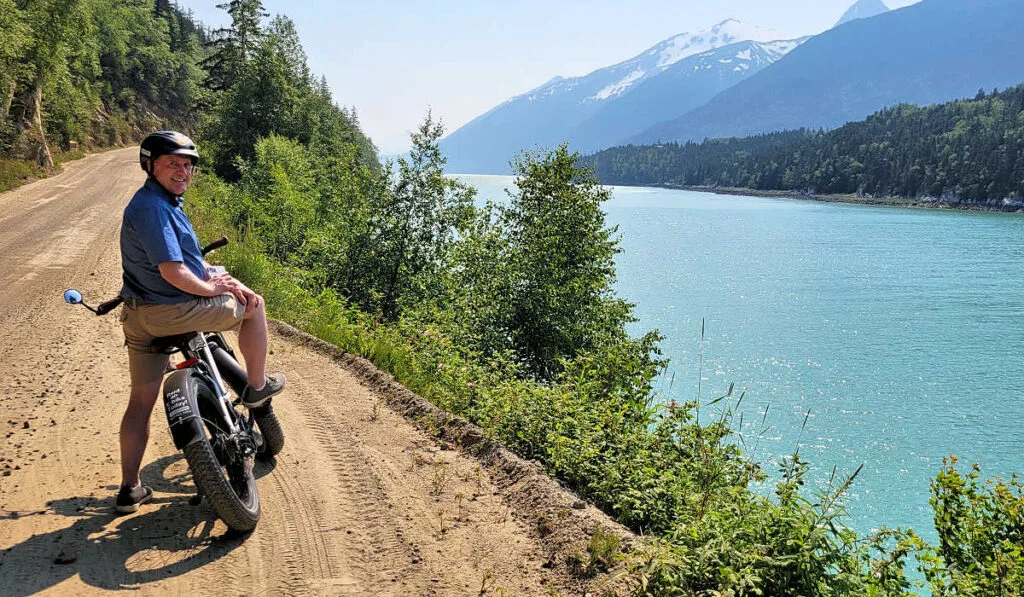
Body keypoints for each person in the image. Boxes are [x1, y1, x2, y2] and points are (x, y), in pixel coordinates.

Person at [115, 130, 285, 513]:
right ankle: (256, 387)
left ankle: (130, 488)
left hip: (139, 316)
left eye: (187, 164)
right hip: (173, 308)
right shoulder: (154, 208)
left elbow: (181, 262)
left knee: (140, 403)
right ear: (149, 165)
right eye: (173, 163)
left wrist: (210, 275)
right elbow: (174, 271)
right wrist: (211, 289)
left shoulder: (159, 202)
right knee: (254, 305)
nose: (183, 170)